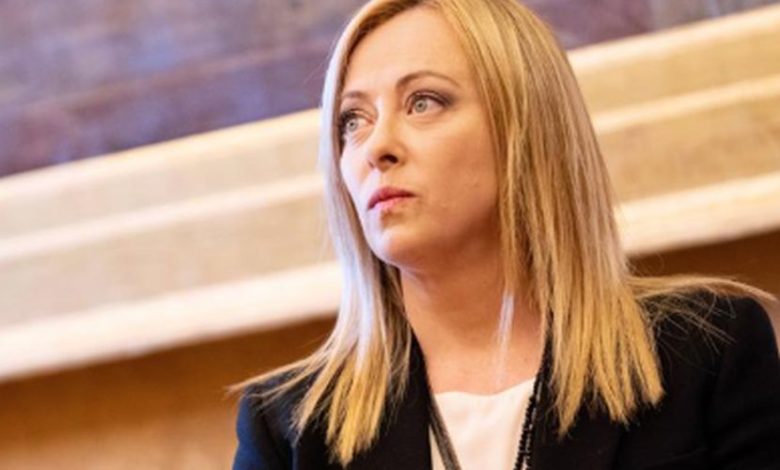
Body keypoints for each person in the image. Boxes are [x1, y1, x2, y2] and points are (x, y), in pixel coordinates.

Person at [230, 0, 780, 468]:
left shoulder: (706, 354)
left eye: (423, 102)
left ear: (526, 127)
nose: (376, 147)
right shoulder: (287, 429)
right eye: (353, 120)